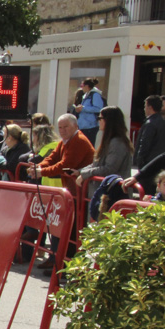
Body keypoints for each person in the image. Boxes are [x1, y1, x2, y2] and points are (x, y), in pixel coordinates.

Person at [27, 114, 95, 273]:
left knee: (73, 230)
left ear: (75, 126)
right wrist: (39, 168)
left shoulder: (78, 141)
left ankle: (68, 267)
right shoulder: (66, 141)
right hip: (71, 190)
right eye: (60, 128)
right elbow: (52, 158)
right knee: (66, 228)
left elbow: (65, 165)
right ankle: (59, 261)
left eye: (66, 127)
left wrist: (41, 171)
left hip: (79, 191)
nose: (62, 131)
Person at [77, 106, 133, 194]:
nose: (98, 121)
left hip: (113, 194)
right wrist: (80, 171)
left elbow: (109, 168)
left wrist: (85, 174)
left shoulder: (117, 142)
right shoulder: (109, 140)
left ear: (109, 121)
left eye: (100, 118)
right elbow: (98, 163)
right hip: (104, 192)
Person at [134, 95, 165, 169]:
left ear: (150, 107)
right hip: (159, 161)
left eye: (145, 106)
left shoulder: (150, 123)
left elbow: (145, 143)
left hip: (148, 163)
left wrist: (139, 160)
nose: (144, 109)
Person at [74, 78, 104, 144]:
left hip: (91, 126)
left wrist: (83, 108)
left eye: (82, 86)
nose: (81, 88)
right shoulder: (86, 96)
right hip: (83, 126)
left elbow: (99, 108)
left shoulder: (95, 95)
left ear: (87, 86)